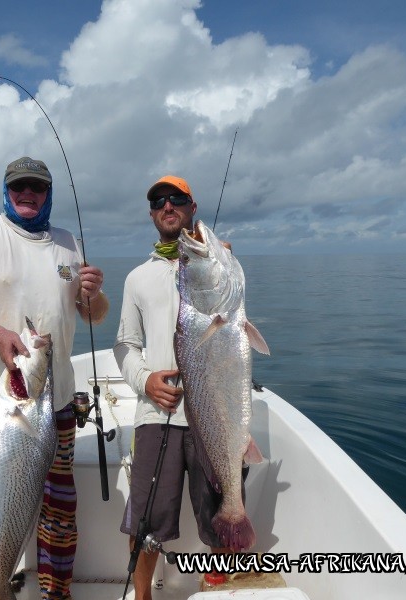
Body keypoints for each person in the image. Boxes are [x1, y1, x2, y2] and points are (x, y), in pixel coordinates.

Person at [0, 156, 109, 600]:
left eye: (37, 187)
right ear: (6, 191)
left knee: (59, 508)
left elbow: (95, 315)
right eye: (18, 187)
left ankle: (56, 593)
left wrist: (95, 295)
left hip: (59, 401)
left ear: (48, 194)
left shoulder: (69, 242)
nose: (27, 194)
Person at [114, 175, 241, 600]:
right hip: (157, 414)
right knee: (145, 519)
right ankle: (144, 596)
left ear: (192, 206)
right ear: (152, 214)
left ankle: (218, 586)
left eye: (177, 199)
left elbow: (235, 317)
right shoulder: (137, 278)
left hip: (216, 414)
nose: (168, 206)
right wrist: (144, 381)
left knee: (219, 508)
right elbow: (125, 345)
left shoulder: (217, 260)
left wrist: (224, 265)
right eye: (158, 202)